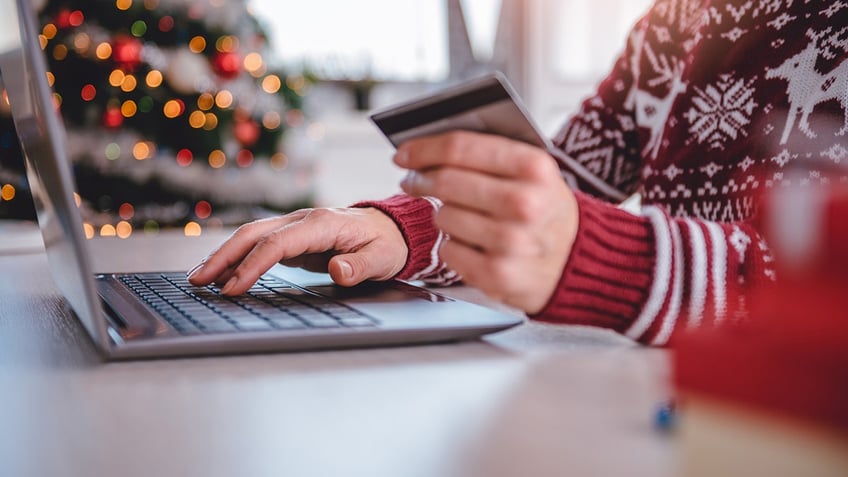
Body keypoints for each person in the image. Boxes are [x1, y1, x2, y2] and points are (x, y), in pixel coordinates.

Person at [187, 0, 848, 346]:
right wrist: (401, 227)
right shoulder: (674, 21)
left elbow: (828, 285)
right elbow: (565, 185)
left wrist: (608, 258)